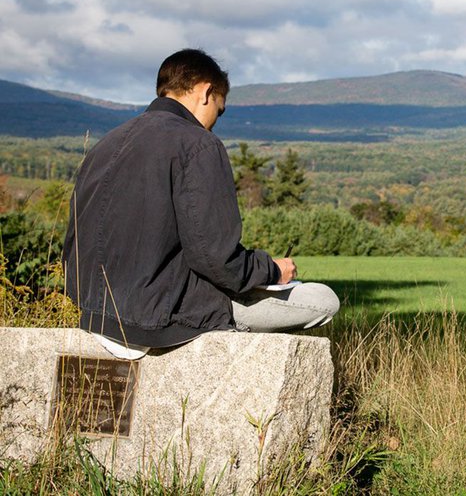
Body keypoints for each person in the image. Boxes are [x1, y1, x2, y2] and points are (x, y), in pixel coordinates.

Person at [62, 49, 339, 359]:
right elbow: (216, 259)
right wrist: (272, 270)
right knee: (322, 300)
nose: (214, 122)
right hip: (161, 316)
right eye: (219, 110)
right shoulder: (198, 143)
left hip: (96, 313)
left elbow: (74, 242)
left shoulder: (107, 143)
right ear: (207, 91)